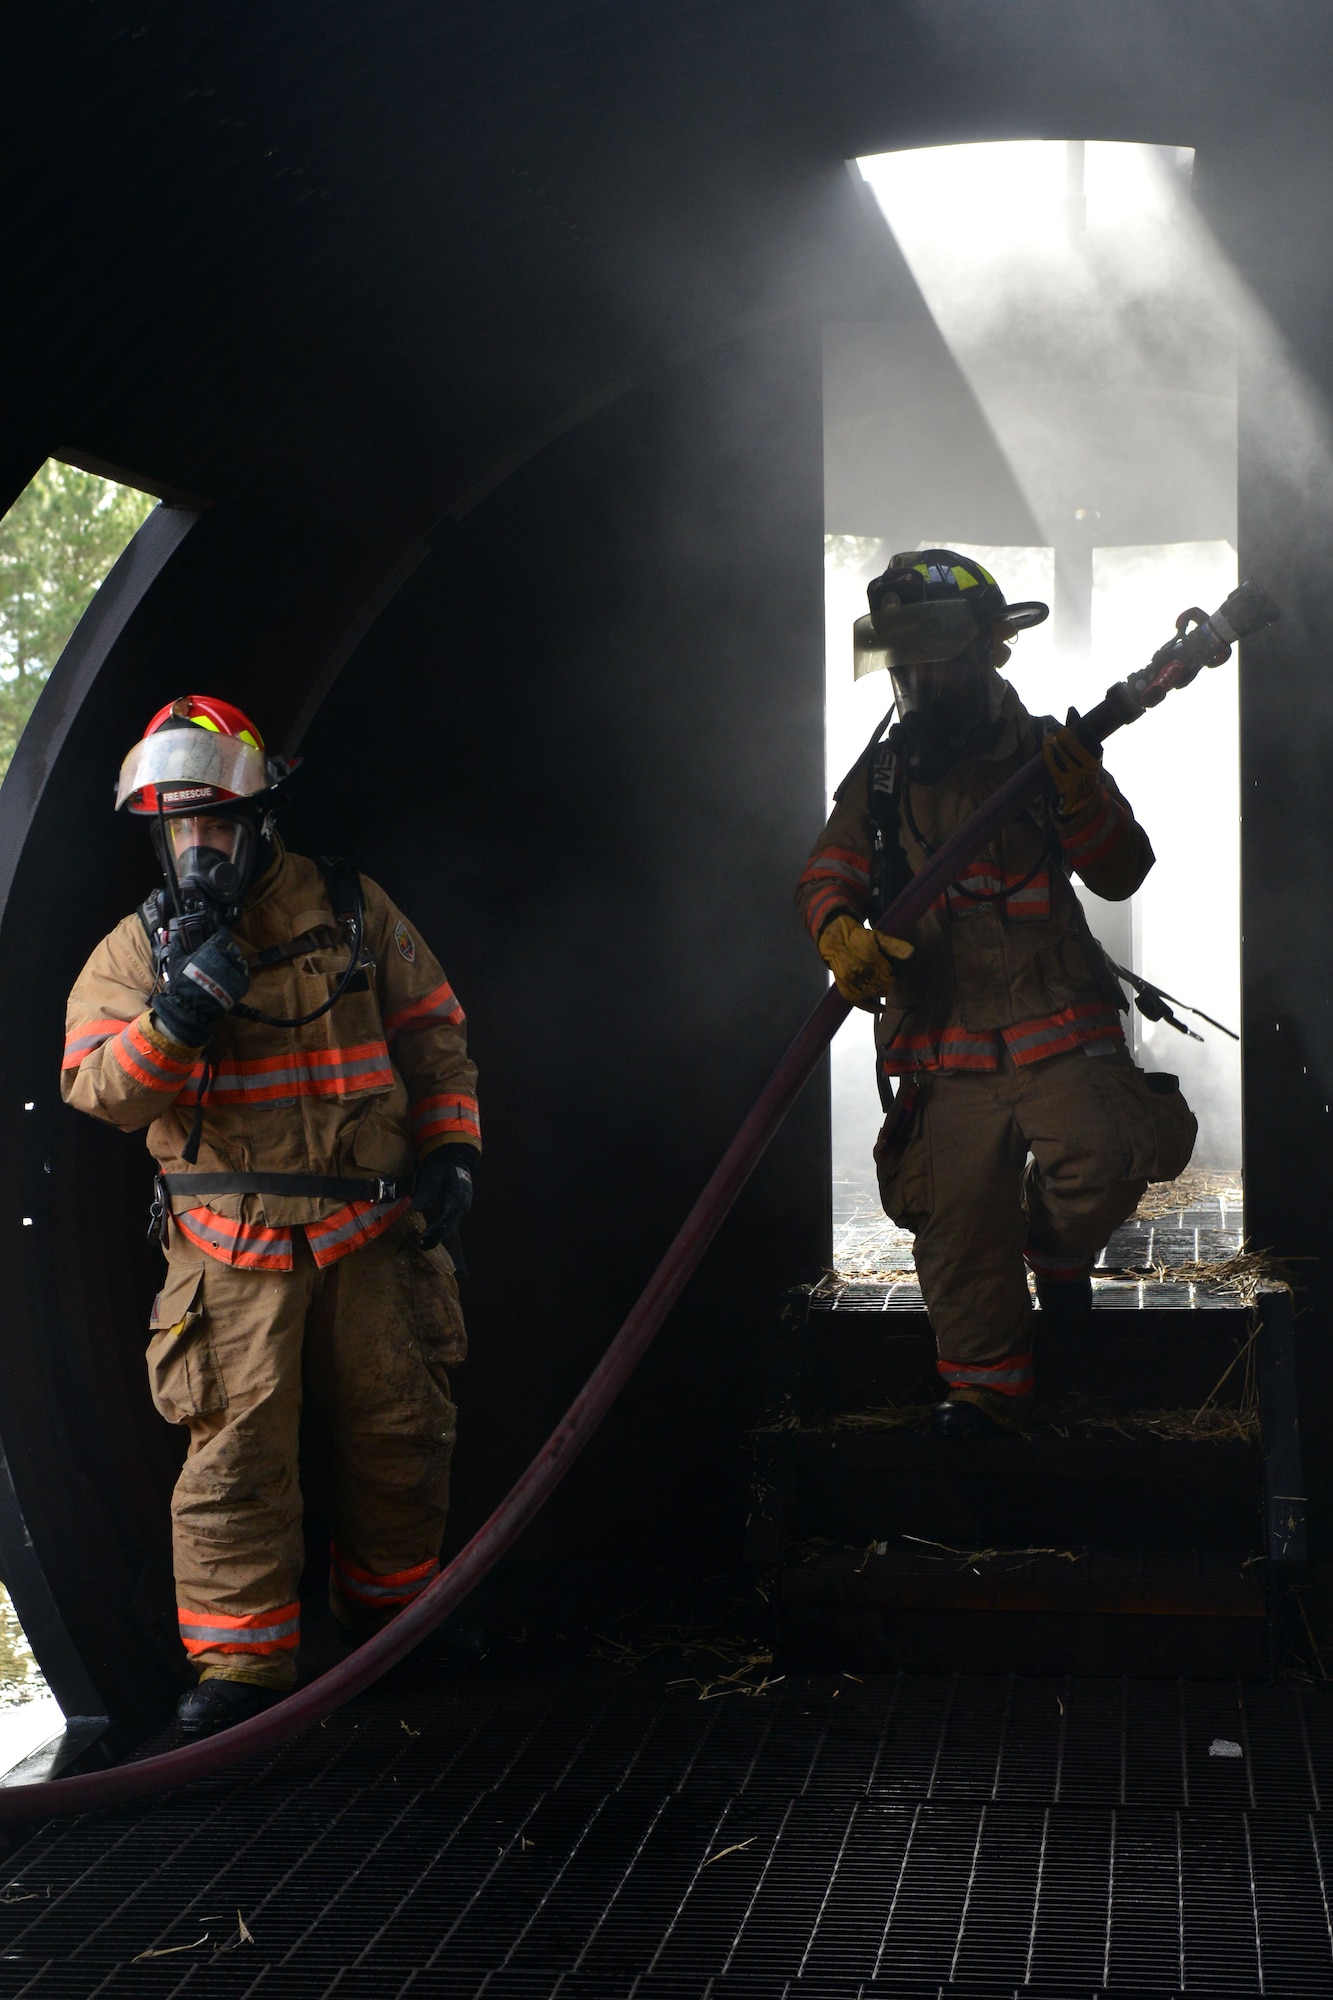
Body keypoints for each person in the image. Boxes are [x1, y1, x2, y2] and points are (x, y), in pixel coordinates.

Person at [62, 695, 480, 1734]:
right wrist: (176, 1018)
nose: (199, 849)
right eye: (179, 830)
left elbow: (434, 1033)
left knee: (401, 1432)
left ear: (258, 817)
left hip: (373, 1238)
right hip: (229, 1253)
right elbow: (96, 1086)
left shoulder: (350, 909)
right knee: (236, 1458)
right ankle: (242, 1667)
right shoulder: (137, 951)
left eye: (215, 825)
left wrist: (452, 1149)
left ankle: (394, 1627)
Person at [798, 552, 1196, 1439]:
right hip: (941, 1048)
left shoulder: (1052, 751)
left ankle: (1053, 1249)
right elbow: (827, 871)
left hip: (1056, 1023)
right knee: (956, 1228)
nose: (922, 677)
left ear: (991, 653)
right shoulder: (885, 776)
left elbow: (1122, 872)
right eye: (906, 661)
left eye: (940, 655)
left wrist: (1081, 797)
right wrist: (837, 931)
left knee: (1108, 1154)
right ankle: (986, 1394)